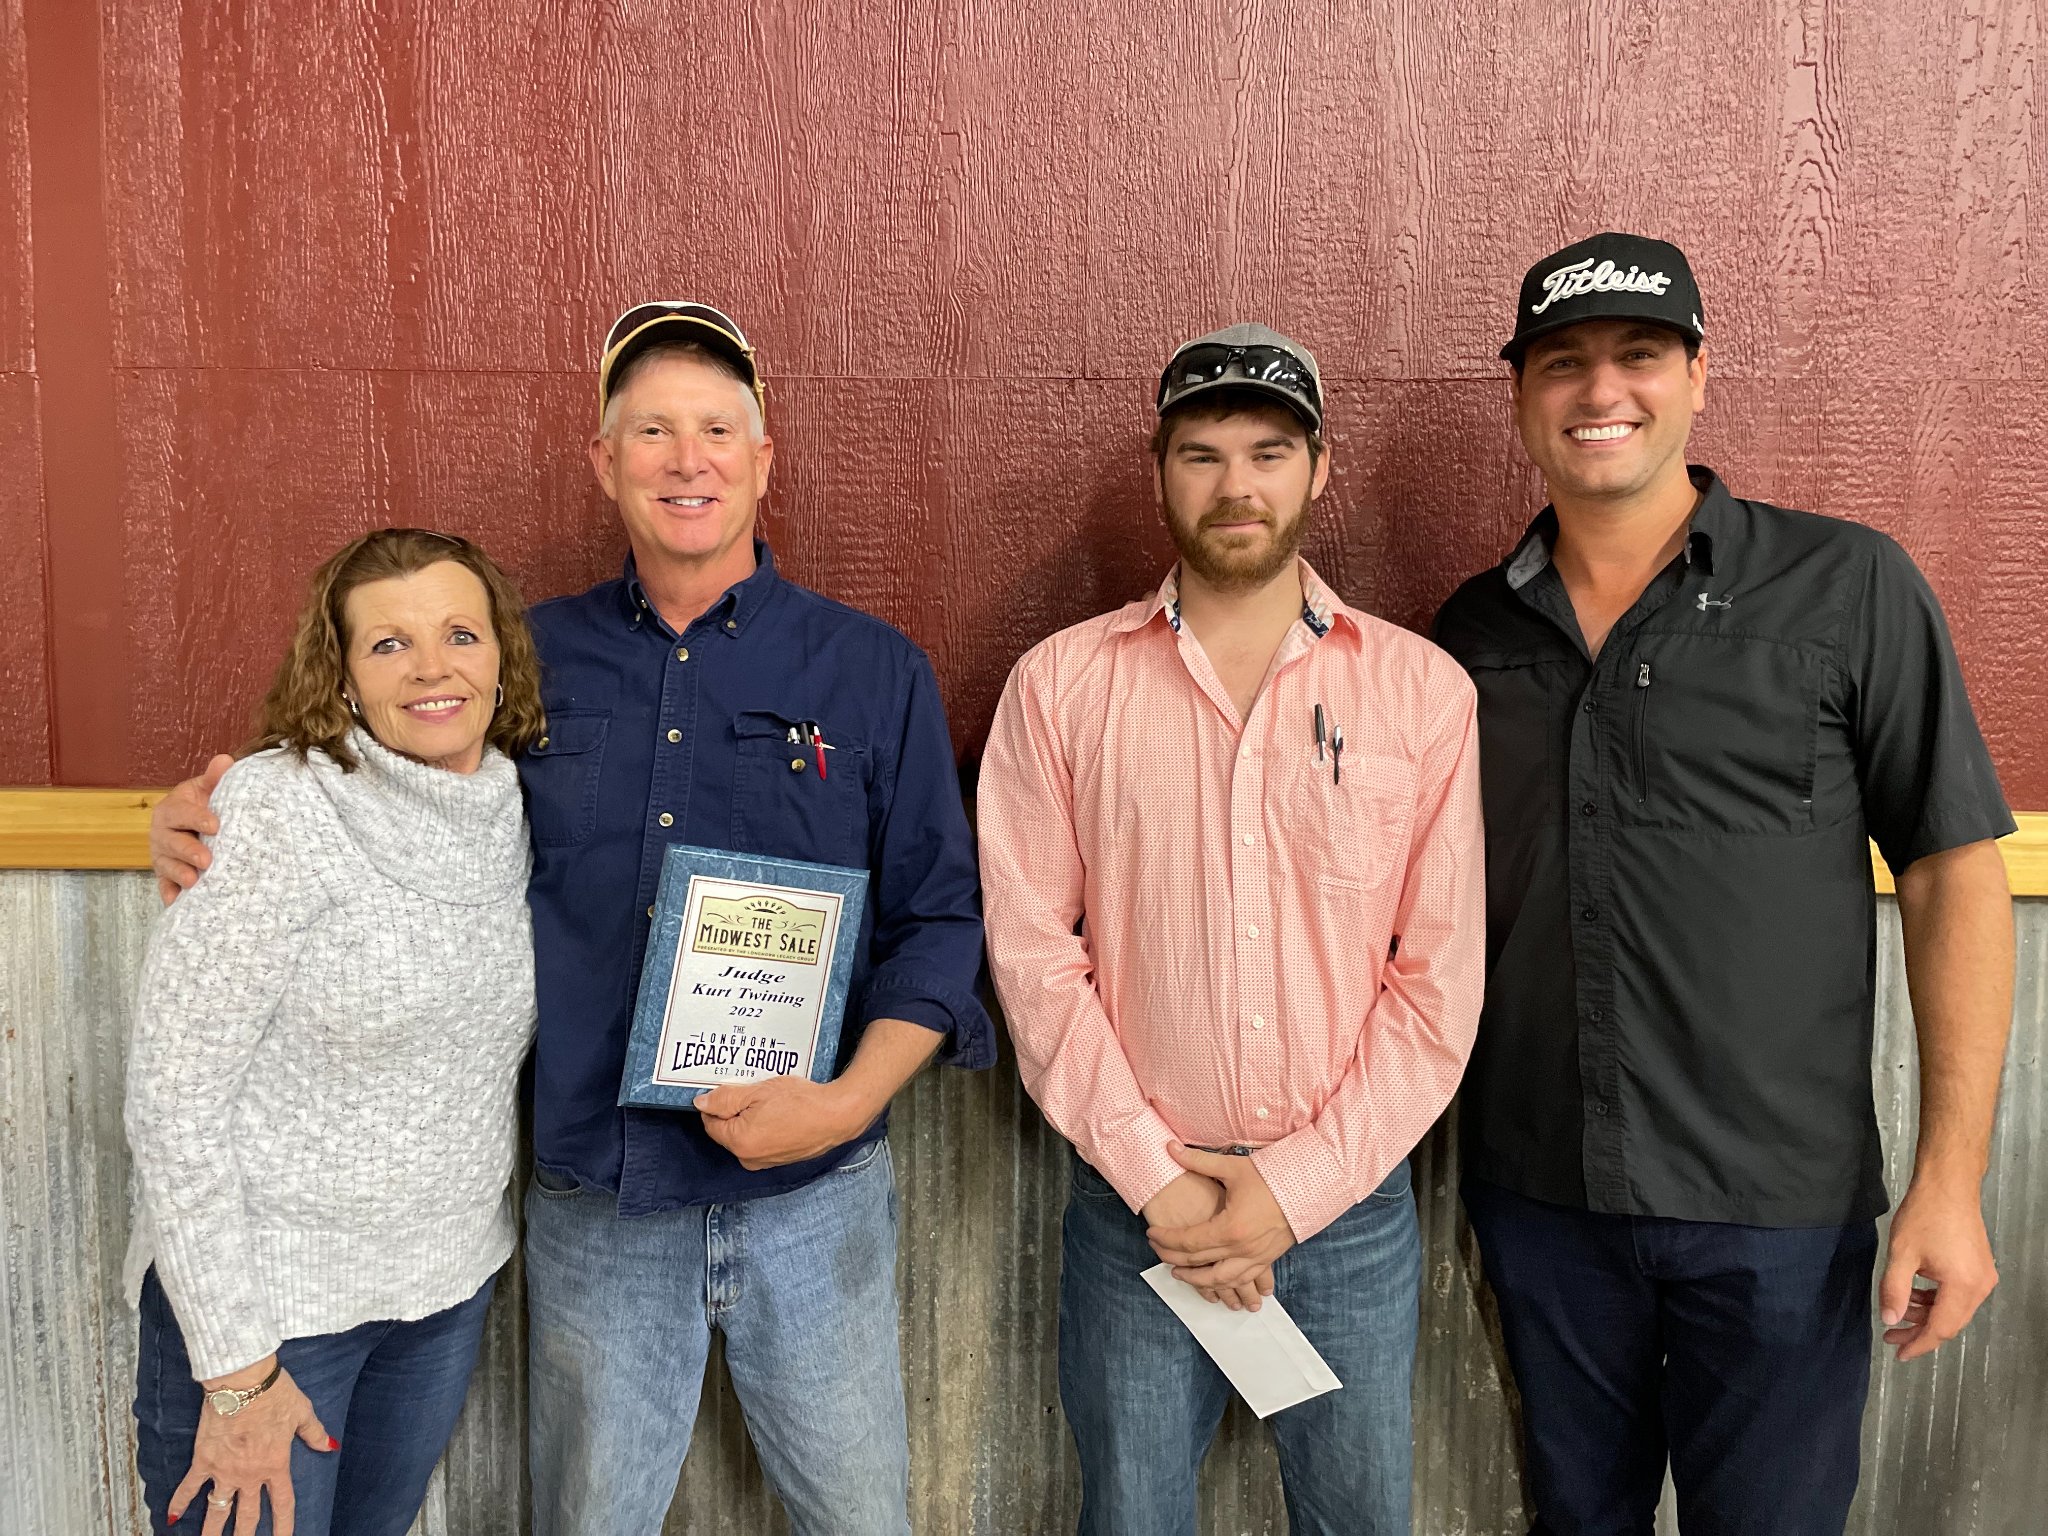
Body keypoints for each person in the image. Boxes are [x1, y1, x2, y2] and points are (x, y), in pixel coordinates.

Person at [151, 302, 993, 1536]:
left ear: (764, 459)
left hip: (813, 1199)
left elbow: (940, 920)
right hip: (596, 1197)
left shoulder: (871, 674)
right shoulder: (517, 664)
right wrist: (180, 820)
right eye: (649, 429)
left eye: (716, 429)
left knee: (862, 1516)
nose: (685, 457)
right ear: (604, 462)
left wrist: (851, 1100)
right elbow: (365, 783)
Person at [1432, 231, 2017, 1534]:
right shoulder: (1465, 636)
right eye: (1564, 364)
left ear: (1698, 376)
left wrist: (1949, 1178)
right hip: (1541, 1198)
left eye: (1640, 356)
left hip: (1776, 1215)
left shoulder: (1844, 587)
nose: (1603, 393)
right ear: (1521, 395)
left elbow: (1952, 874)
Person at [977, 323, 1485, 1536]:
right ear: (1159, 475)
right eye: (1200, 455)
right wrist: (1164, 1187)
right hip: (1133, 1216)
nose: (1235, 485)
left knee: (1359, 1522)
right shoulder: (1060, 687)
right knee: (1130, 1518)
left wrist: (1290, 1192)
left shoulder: (1419, 692)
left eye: (1268, 451)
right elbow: (1034, 956)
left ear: (1319, 469)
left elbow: (1436, 981)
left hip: (1348, 1217)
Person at [126, 528, 543, 1536]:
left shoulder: (513, 805)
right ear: (343, 675)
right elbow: (172, 1100)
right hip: (271, 1321)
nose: (433, 667)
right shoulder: (275, 811)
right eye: (388, 645)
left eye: (459, 634)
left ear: (501, 658)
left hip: (440, 1297)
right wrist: (234, 1374)